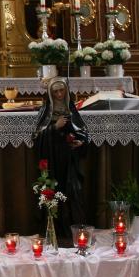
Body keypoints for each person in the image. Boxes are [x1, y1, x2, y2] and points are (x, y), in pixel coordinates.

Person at [33, 77, 90, 239]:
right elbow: (37, 137)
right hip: (53, 159)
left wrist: (80, 142)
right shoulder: (46, 110)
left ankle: (72, 231)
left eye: (61, 90)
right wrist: (54, 127)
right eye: (55, 91)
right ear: (50, 93)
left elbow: (83, 132)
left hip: (70, 160)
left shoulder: (71, 108)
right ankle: (53, 230)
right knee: (53, 192)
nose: (59, 94)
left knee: (72, 192)